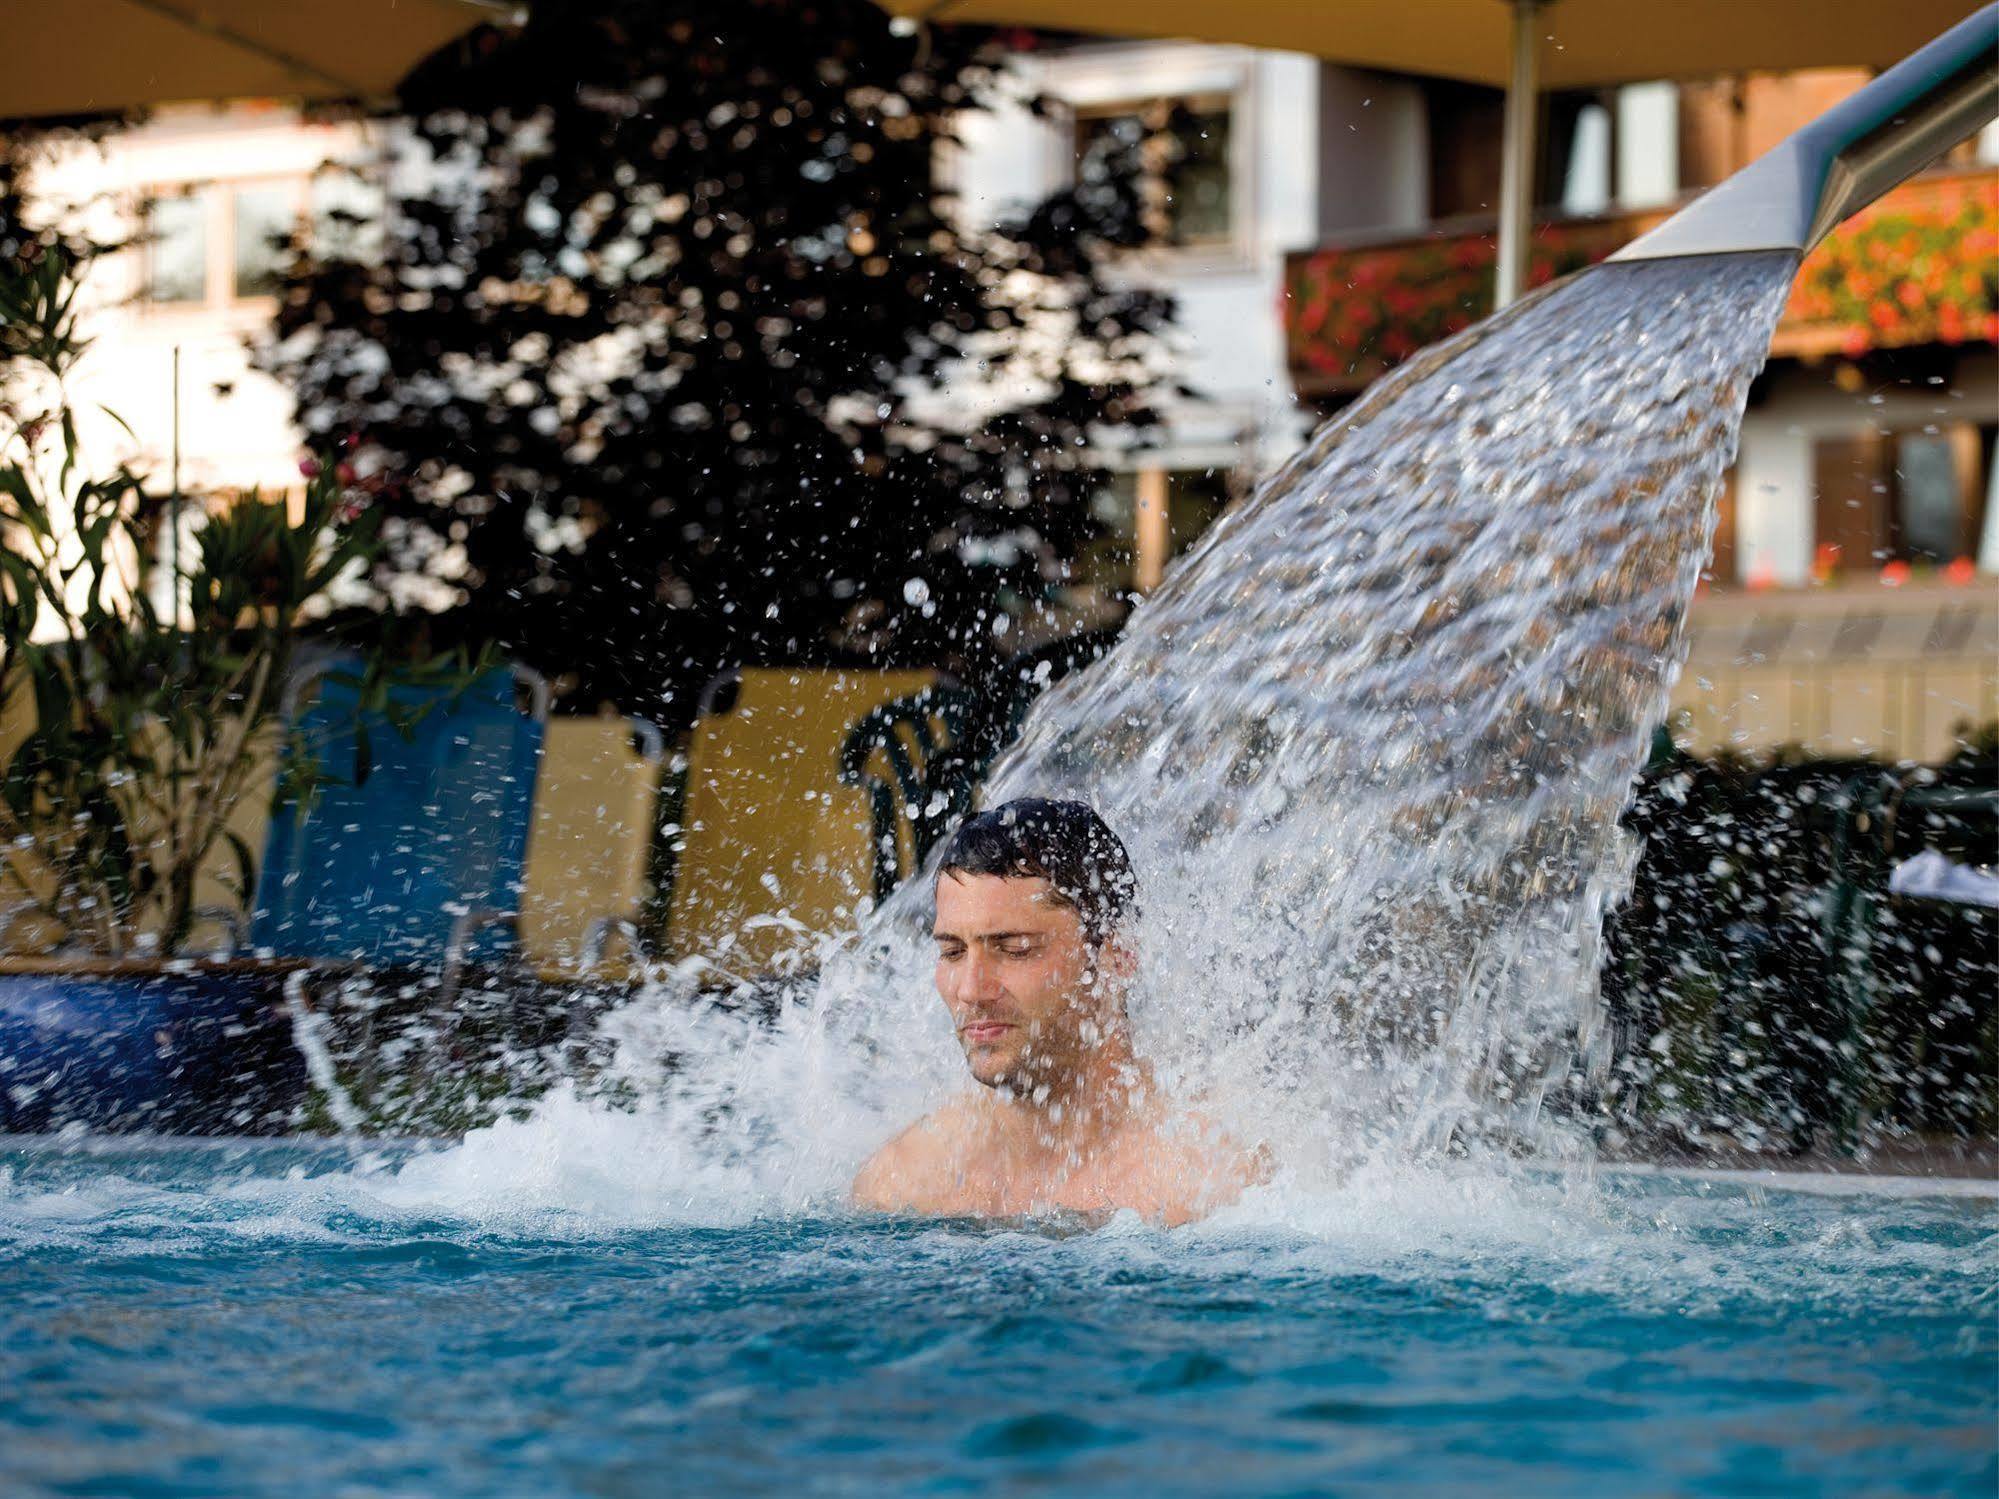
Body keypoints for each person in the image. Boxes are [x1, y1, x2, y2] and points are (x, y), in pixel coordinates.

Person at [851, 798, 1265, 1226]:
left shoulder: (1212, 1188)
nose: (971, 990)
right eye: (953, 952)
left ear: (1117, 957)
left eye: (1016, 950)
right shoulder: (902, 1186)